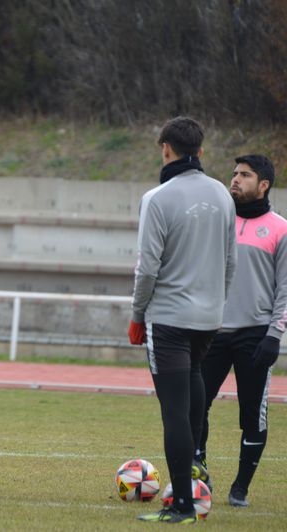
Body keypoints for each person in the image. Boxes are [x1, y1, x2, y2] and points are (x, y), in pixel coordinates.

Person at [129, 116, 237, 524]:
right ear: (201, 152)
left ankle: (182, 506)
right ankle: (192, 480)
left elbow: (147, 269)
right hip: (208, 318)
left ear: (166, 149)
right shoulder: (223, 196)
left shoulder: (157, 198)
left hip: (169, 319)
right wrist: (217, 304)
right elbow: (231, 262)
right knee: (192, 399)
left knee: (173, 411)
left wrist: (138, 314)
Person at [196, 154, 285, 508]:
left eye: (245, 175)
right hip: (211, 331)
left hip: (256, 334)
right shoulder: (218, 223)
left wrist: (274, 334)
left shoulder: (280, 228)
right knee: (195, 404)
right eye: (233, 174)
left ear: (263, 185)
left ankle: (241, 488)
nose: (235, 180)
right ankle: (197, 469)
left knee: (252, 414)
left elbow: (285, 289)